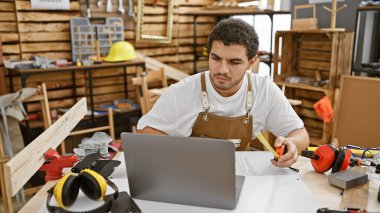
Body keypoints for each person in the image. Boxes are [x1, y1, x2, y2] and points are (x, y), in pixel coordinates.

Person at [137, 18, 309, 168]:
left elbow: (300, 134)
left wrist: (292, 144)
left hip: (240, 173)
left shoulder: (263, 90)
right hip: (191, 172)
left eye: (234, 62)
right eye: (216, 58)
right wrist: (183, 151)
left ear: (251, 62)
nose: (222, 70)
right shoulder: (182, 92)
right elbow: (144, 133)